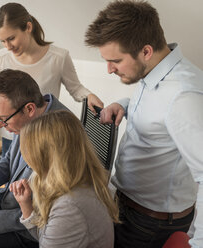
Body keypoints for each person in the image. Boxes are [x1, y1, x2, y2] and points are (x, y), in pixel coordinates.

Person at [84, 1, 203, 247]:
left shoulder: (184, 96)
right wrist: (124, 105)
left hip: (149, 224)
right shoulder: (153, 70)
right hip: (127, 204)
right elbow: (160, 114)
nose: (108, 69)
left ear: (146, 51)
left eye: (115, 60)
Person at [0, 2, 103, 163]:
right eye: (2, 41)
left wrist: (89, 95)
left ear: (28, 27)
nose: (8, 46)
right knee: (12, 184)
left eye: (11, 38)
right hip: (11, 137)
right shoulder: (2, 57)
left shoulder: (58, 57)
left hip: (44, 139)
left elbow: (76, 88)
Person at [0, 69, 71, 248]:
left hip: (26, 229)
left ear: (29, 109)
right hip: (7, 201)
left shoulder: (62, 138)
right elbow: (10, 159)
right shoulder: (27, 119)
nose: (1, 125)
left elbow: (47, 214)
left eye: (4, 119)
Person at [9, 110, 119, 248]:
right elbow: (46, 236)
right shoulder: (78, 182)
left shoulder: (69, 206)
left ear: (46, 157)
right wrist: (26, 205)